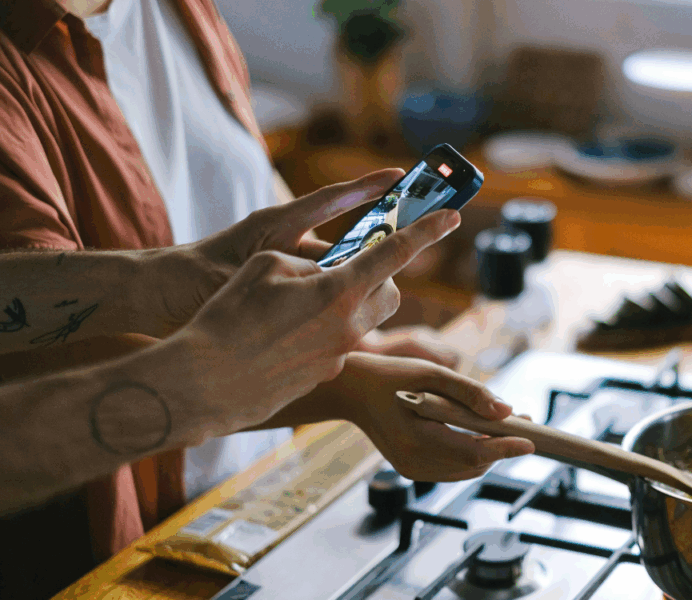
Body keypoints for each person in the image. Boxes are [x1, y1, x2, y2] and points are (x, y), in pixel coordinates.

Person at [0, 0, 484, 593]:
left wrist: (360, 344)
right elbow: (54, 352)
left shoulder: (180, 9)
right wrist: (348, 384)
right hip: (151, 527)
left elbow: (242, 182)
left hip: (260, 484)